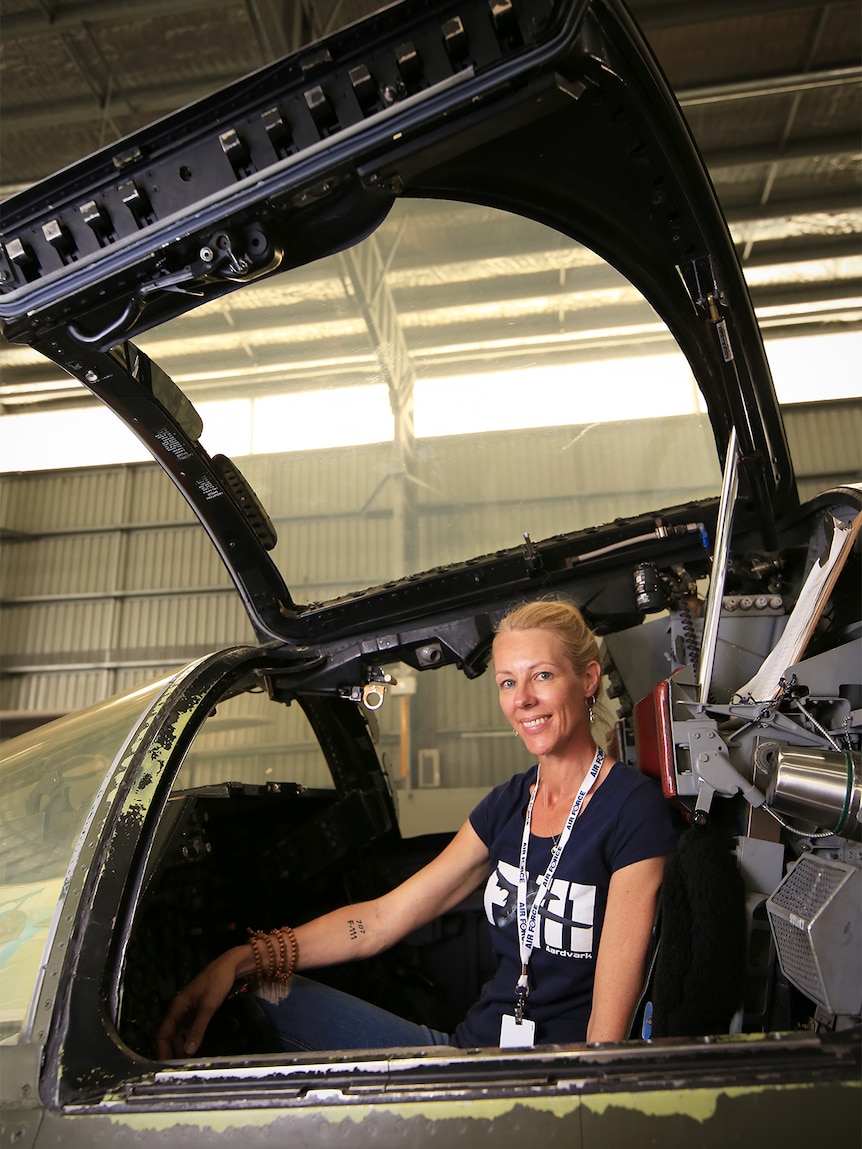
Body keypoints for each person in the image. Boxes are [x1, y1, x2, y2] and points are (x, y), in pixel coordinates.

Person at [156, 598, 678, 1058]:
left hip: (543, 1081)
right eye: (507, 682)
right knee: (257, 997)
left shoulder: (632, 812)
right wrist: (244, 959)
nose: (521, 700)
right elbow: (383, 919)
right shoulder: (507, 805)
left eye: (541, 675)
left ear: (586, 679)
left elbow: (605, 1047)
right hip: (467, 1055)